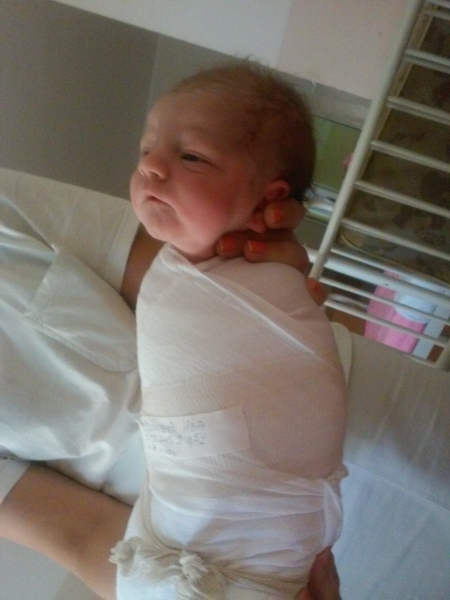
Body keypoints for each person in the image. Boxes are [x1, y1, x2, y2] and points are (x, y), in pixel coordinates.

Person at [0, 162, 340, 600]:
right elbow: (85, 536)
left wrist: (267, 276)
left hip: (325, 394)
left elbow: (192, 268)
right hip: (239, 561)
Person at [110, 62, 347, 599]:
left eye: (191, 156)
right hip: (233, 549)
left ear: (268, 199)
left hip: (172, 546)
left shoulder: (261, 275)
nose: (149, 166)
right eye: (146, 149)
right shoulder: (184, 273)